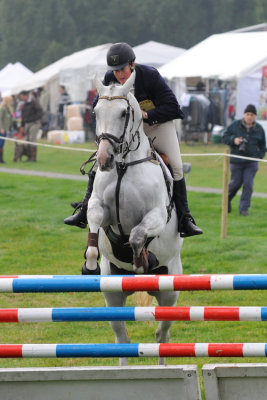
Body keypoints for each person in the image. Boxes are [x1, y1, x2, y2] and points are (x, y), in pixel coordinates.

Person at [64, 42, 203, 238]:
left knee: (177, 167)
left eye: (122, 69)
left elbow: (173, 107)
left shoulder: (150, 76)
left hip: (155, 125)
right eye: (115, 70)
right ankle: (84, 210)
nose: (119, 74)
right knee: (98, 161)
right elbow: (99, 104)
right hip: (125, 129)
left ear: (132, 64)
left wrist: (146, 116)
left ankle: (185, 219)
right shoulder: (109, 78)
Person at [223, 104, 266, 216]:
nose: (249, 117)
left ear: (255, 116)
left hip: (251, 162)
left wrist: (260, 156)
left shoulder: (259, 129)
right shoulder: (234, 125)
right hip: (236, 161)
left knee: (248, 185)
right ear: (244, 115)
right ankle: (226, 201)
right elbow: (224, 137)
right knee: (235, 184)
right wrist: (234, 140)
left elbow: (263, 145)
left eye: (252, 115)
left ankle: (243, 209)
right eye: (247, 114)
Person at [20, 90, 43, 162]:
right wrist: (22, 126)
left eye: (22, 96)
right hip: (27, 123)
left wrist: (37, 118)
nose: (22, 98)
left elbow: (40, 111)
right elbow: (23, 116)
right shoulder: (24, 104)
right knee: (27, 140)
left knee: (32, 139)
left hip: (34, 123)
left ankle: (33, 158)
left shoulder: (34, 102)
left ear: (26, 95)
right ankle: (29, 157)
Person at [0, 96, 13, 163]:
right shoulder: (2, 108)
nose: (11, 102)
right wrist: (1, 127)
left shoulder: (7, 109)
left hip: (5, 129)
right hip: (2, 129)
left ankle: (1, 159)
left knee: (2, 144)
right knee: (0, 144)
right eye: (10, 101)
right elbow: (0, 119)